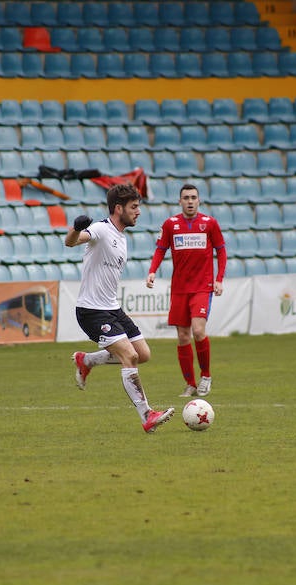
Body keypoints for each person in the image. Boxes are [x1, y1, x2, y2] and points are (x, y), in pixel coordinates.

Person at [66, 183, 174, 433]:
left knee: (143, 354)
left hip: (112, 308)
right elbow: (71, 242)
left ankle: (87, 360)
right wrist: (75, 228)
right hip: (91, 311)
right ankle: (147, 415)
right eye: (134, 207)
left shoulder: (121, 237)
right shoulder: (101, 229)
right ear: (118, 208)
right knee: (130, 356)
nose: (138, 212)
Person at [146, 183, 226, 398]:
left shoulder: (209, 224)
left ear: (198, 200)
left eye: (193, 197)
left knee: (198, 331)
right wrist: (152, 271)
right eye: (186, 198)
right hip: (180, 289)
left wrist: (219, 279)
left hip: (203, 286)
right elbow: (160, 249)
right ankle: (190, 384)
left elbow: (221, 250)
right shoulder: (171, 225)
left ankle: (206, 376)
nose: (190, 201)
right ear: (179, 201)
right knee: (182, 336)